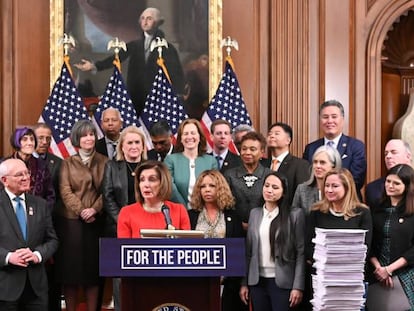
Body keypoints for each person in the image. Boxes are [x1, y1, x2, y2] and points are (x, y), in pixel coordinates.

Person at [75, 7, 185, 116]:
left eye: (149, 18)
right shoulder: (134, 45)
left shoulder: (167, 48)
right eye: (143, 18)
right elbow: (116, 58)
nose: (145, 22)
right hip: (136, 98)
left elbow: (176, 72)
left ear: (157, 22)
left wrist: (178, 93)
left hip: (157, 100)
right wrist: (94, 66)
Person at [56, 120, 108, 311]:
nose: (89, 138)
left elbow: (107, 191)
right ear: (77, 138)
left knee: (92, 273)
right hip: (71, 224)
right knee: (70, 273)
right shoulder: (67, 163)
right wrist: (82, 211)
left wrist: (94, 209)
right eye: (84, 135)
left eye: (92, 134)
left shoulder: (105, 161)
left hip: (96, 222)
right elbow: (65, 191)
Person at [239, 172, 305, 311]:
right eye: (267, 186)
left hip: (283, 281)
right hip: (257, 281)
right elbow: (249, 252)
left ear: (284, 192)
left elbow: (301, 253)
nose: (269, 190)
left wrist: (298, 286)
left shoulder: (295, 215)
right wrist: (244, 283)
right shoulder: (255, 214)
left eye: (275, 187)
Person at [0, 158, 58, 310]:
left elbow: (52, 240)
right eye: (20, 175)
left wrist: (37, 255)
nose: (26, 178)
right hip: (5, 287)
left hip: (36, 289)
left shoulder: (40, 204)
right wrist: (8, 257)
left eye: (27, 173)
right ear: (5, 180)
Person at [102, 125, 147, 311]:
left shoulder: (150, 166)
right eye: (129, 142)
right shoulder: (112, 166)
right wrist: (123, 219)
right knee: (121, 278)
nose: (134, 146)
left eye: (137, 142)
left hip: (146, 229)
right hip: (118, 229)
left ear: (143, 146)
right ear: (122, 146)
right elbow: (108, 196)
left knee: (143, 277)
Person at [188, 170, 245, 311]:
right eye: (203, 186)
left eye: (212, 186)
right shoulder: (191, 216)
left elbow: (239, 253)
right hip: (196, 283)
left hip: (227, 284)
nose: (207, 189)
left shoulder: (233, 216)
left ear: (220, 188)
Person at [366, 164, 414, 310]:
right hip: (377, 273)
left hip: (405, 272)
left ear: (407, 186)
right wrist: (380, 269)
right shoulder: (376, 208)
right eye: (388, 181)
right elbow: (368, 242)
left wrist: (390, 269)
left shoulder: (412, 212)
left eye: (396, 183)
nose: (390, 186)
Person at [302, 100, 367, 197]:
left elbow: (357, 179)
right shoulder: (311, 148)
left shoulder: (355, 146)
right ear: (320, 120)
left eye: (334, 117)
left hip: (347, 203)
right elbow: (307, 178)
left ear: (342, 119)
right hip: (315, 202)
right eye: (325, 117)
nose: (329, 121)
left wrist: (332, 192)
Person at [307, 168, 372, 261]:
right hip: (322, 269)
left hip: (351, 269)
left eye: (335, 186)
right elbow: (309, 245)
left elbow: (365, 247)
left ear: (347, 187)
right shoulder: (317, 211)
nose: (329, 190)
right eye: (327, 185)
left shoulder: (362, 212)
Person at [33, 122, 63, 311]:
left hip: (51, 220)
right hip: (25, 223)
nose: (44, 142)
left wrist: (45, 215)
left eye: (48, 138)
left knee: (52, 271)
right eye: (40, 138)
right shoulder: (20, 161)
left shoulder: (57, 162)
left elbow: (58, 193)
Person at [117, 160, 190, 238]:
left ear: (163, 182)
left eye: (152, 179)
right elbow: (122, 248)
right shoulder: (127, 213)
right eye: (142, 180)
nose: (146, 185)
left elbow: (185, 246)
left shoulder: (179, 211)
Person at [164, 119, 217, 209]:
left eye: (193, 133)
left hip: (205, 212)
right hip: (178, 211)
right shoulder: (170, 160)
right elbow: (169, 187)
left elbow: (215, 188)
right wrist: (184, 209)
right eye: (186, 134)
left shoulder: (211, 161)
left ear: (200, 137)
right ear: (181, 138)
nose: (189, 137)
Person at [224, 131, 272, 230]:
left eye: (252, 149)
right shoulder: (229, 175)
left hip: (263, 228)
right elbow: (225, 204)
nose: (247, 152)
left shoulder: (270, 175)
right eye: (244, 149)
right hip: (234, 229)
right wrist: (238, 223)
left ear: (262, 152)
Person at [262, 122, 310, 204]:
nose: (272, 136)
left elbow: (302, 196)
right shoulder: (262, 164)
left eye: (277, 134)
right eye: (270, 134)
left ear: (288, 140)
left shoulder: (300, 165)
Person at [8, 127, 55, 209]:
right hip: (9, 214)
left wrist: (43, 213)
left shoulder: (42, 165)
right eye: (25, 139)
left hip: (37, 215)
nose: (30, 143)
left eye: (32, 139)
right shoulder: (5, 164)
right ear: (17, 142)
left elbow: (50, 195)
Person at [292, 145, 342, 214]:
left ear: (333, 166)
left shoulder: (341, 189)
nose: (317, 166)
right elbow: (294, 217)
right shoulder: (302, 189)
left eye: (322, 162)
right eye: (315, 162)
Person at [365, 139, 412, 210]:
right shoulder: (373, 188)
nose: (388, 156)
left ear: (408, 156)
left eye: (394, 152)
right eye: (386, 153)